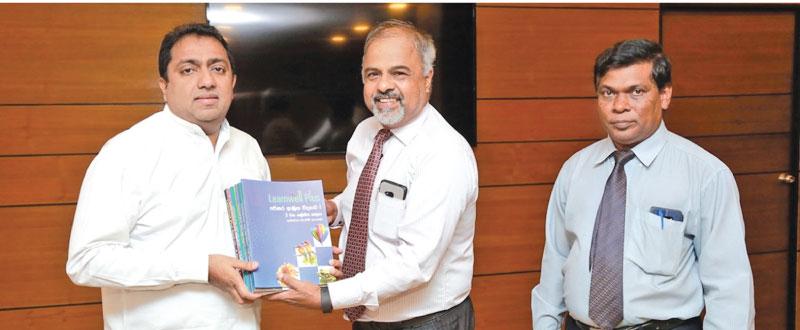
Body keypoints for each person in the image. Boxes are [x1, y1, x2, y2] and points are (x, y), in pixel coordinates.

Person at [531, 39, 755, 330]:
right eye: (608, 93)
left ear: (664, 95)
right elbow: (555, 264)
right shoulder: (575, 170)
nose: (619, 106)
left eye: (636, 92)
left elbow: (730, 288)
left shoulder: (705, 174)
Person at [270, 20, 479, 330]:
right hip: (369, 316)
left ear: (427, 78)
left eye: (399, 73)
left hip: (427, 322)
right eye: (373, 74)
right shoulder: (366, 132)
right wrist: (335, 210)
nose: (383, 85)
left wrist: (328, 296)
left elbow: (414, 264)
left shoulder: (444, 153)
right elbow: (365, 195)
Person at [66, 23, 270, 329]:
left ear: (233, 81)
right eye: (188, 70)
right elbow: (87, 261)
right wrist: (200, 267)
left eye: (218, 68)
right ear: (164, 84)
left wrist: (306, 259)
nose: (207, 81)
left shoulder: (249, 148)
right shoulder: (126, 152)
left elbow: (264, 242)